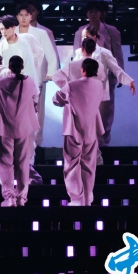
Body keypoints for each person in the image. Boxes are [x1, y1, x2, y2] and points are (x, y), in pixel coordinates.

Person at [0, 14, 44, 184]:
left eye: (5, 29)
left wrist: (33, 75)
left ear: (13, 27)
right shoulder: (0, 48)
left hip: (28, 90)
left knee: (29, 132)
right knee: (11, 135)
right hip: (11, 96)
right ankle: (13, 173)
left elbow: (39, 55)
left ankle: (28, 168)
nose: (3, 32)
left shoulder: (28, 39)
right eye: (1, 29)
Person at [0, 56, 40, 207]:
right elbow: (35, 99)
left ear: (9, 67)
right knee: (22, 163)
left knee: (5, 163)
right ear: (22, 67)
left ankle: (9, 198)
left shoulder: (2, 83)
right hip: (24, 126)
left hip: (5, 127)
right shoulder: (29, 81)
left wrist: (2, 102)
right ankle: (22, 198)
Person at [52, 58, 105, 206]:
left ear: (82, 70)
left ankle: (76, 199)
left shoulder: (72, 85)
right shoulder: (99, 85)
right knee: (89, 165)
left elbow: (56, 100)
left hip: (73, 129)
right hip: (91, 130)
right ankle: (87, 198)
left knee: (72, 165)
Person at [72, 28, 136, 147]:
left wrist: (129, 81)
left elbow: (116, 69)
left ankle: (100, 152)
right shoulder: (79, 53)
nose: (85, 39)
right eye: (83, 37)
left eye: (87, 36)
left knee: (100, 125)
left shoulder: (104, 53)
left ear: (95, 37)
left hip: (99, 94)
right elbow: (73, 72)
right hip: (83, 94)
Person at [72, 1, 124, 146]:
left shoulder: (111, 31)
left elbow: (117, 53)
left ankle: (103, 144)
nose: (93, 14)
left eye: (96, 11)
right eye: (90, 12)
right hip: (85, 78)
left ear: (101, 13)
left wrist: (119, 74)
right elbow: (76, 54)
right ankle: (87, 145)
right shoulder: (80, 32)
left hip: (105, 78)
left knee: (105, 112)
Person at [15, 3, 58, 148]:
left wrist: (51, 73)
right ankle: (20, 142)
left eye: (27, 15)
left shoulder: (41, 33)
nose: (24, 18)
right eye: (21, 15)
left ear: (32, 15)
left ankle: (36, 143)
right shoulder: (12, 31)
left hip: (36, 77)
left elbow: (51, 54)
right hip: (16, 77)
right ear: (17, 17)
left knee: (37, 110)